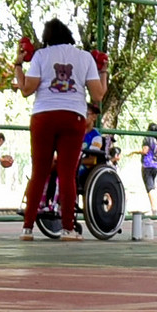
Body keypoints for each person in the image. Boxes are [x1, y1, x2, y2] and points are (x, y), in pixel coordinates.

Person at [15, 19, 106, 241]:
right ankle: (68, 229)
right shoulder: (84, 57)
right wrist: (103, 69)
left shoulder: (40, 56)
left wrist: (18, 65)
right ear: (68, 35)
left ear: (46, 38)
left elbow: (26, 89)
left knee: (39, 172)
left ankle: (27, 229)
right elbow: (98, 95)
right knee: (67, 174)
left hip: (43, 116)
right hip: (72, 115)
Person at [140, 128, 157, 202]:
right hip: (155, 166)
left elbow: (145, 151)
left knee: (149, 187)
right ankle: (154, 205)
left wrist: (135, 152)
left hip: (147, 165)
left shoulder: (147, 139)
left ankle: (154, 208)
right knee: (152, 186)